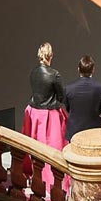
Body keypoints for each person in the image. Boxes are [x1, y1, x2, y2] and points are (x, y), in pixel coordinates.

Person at [22, 42, 67, 191]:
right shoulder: (54, 74)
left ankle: (33, 174)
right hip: (49, 116)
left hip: (33, 113)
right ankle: (51, 179)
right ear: (51, 56)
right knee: (52, 147)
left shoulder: (33, 72)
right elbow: (61, 96)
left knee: (34, 144)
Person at [64, 55, 101, 142]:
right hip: (95, 130)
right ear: (93, 69)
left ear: (78, 69)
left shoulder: (68, 88)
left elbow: (68, 108)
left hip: (74, 132)